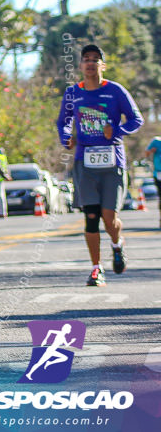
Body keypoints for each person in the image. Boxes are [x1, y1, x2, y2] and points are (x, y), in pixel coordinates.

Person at [56, 44, 142, 287]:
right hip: (85, 162)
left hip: (112, 161)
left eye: (96, 59)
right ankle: (96, 268)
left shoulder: (115, 91)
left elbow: (136, 119)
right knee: (91, 217)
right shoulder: (73, 93)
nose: (91, 63)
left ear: (102, 65)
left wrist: (116, 130)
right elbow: (64, 122)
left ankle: (117, 244)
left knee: (109, 217)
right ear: (81, 65)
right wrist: (66, 138)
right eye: (86, 59)